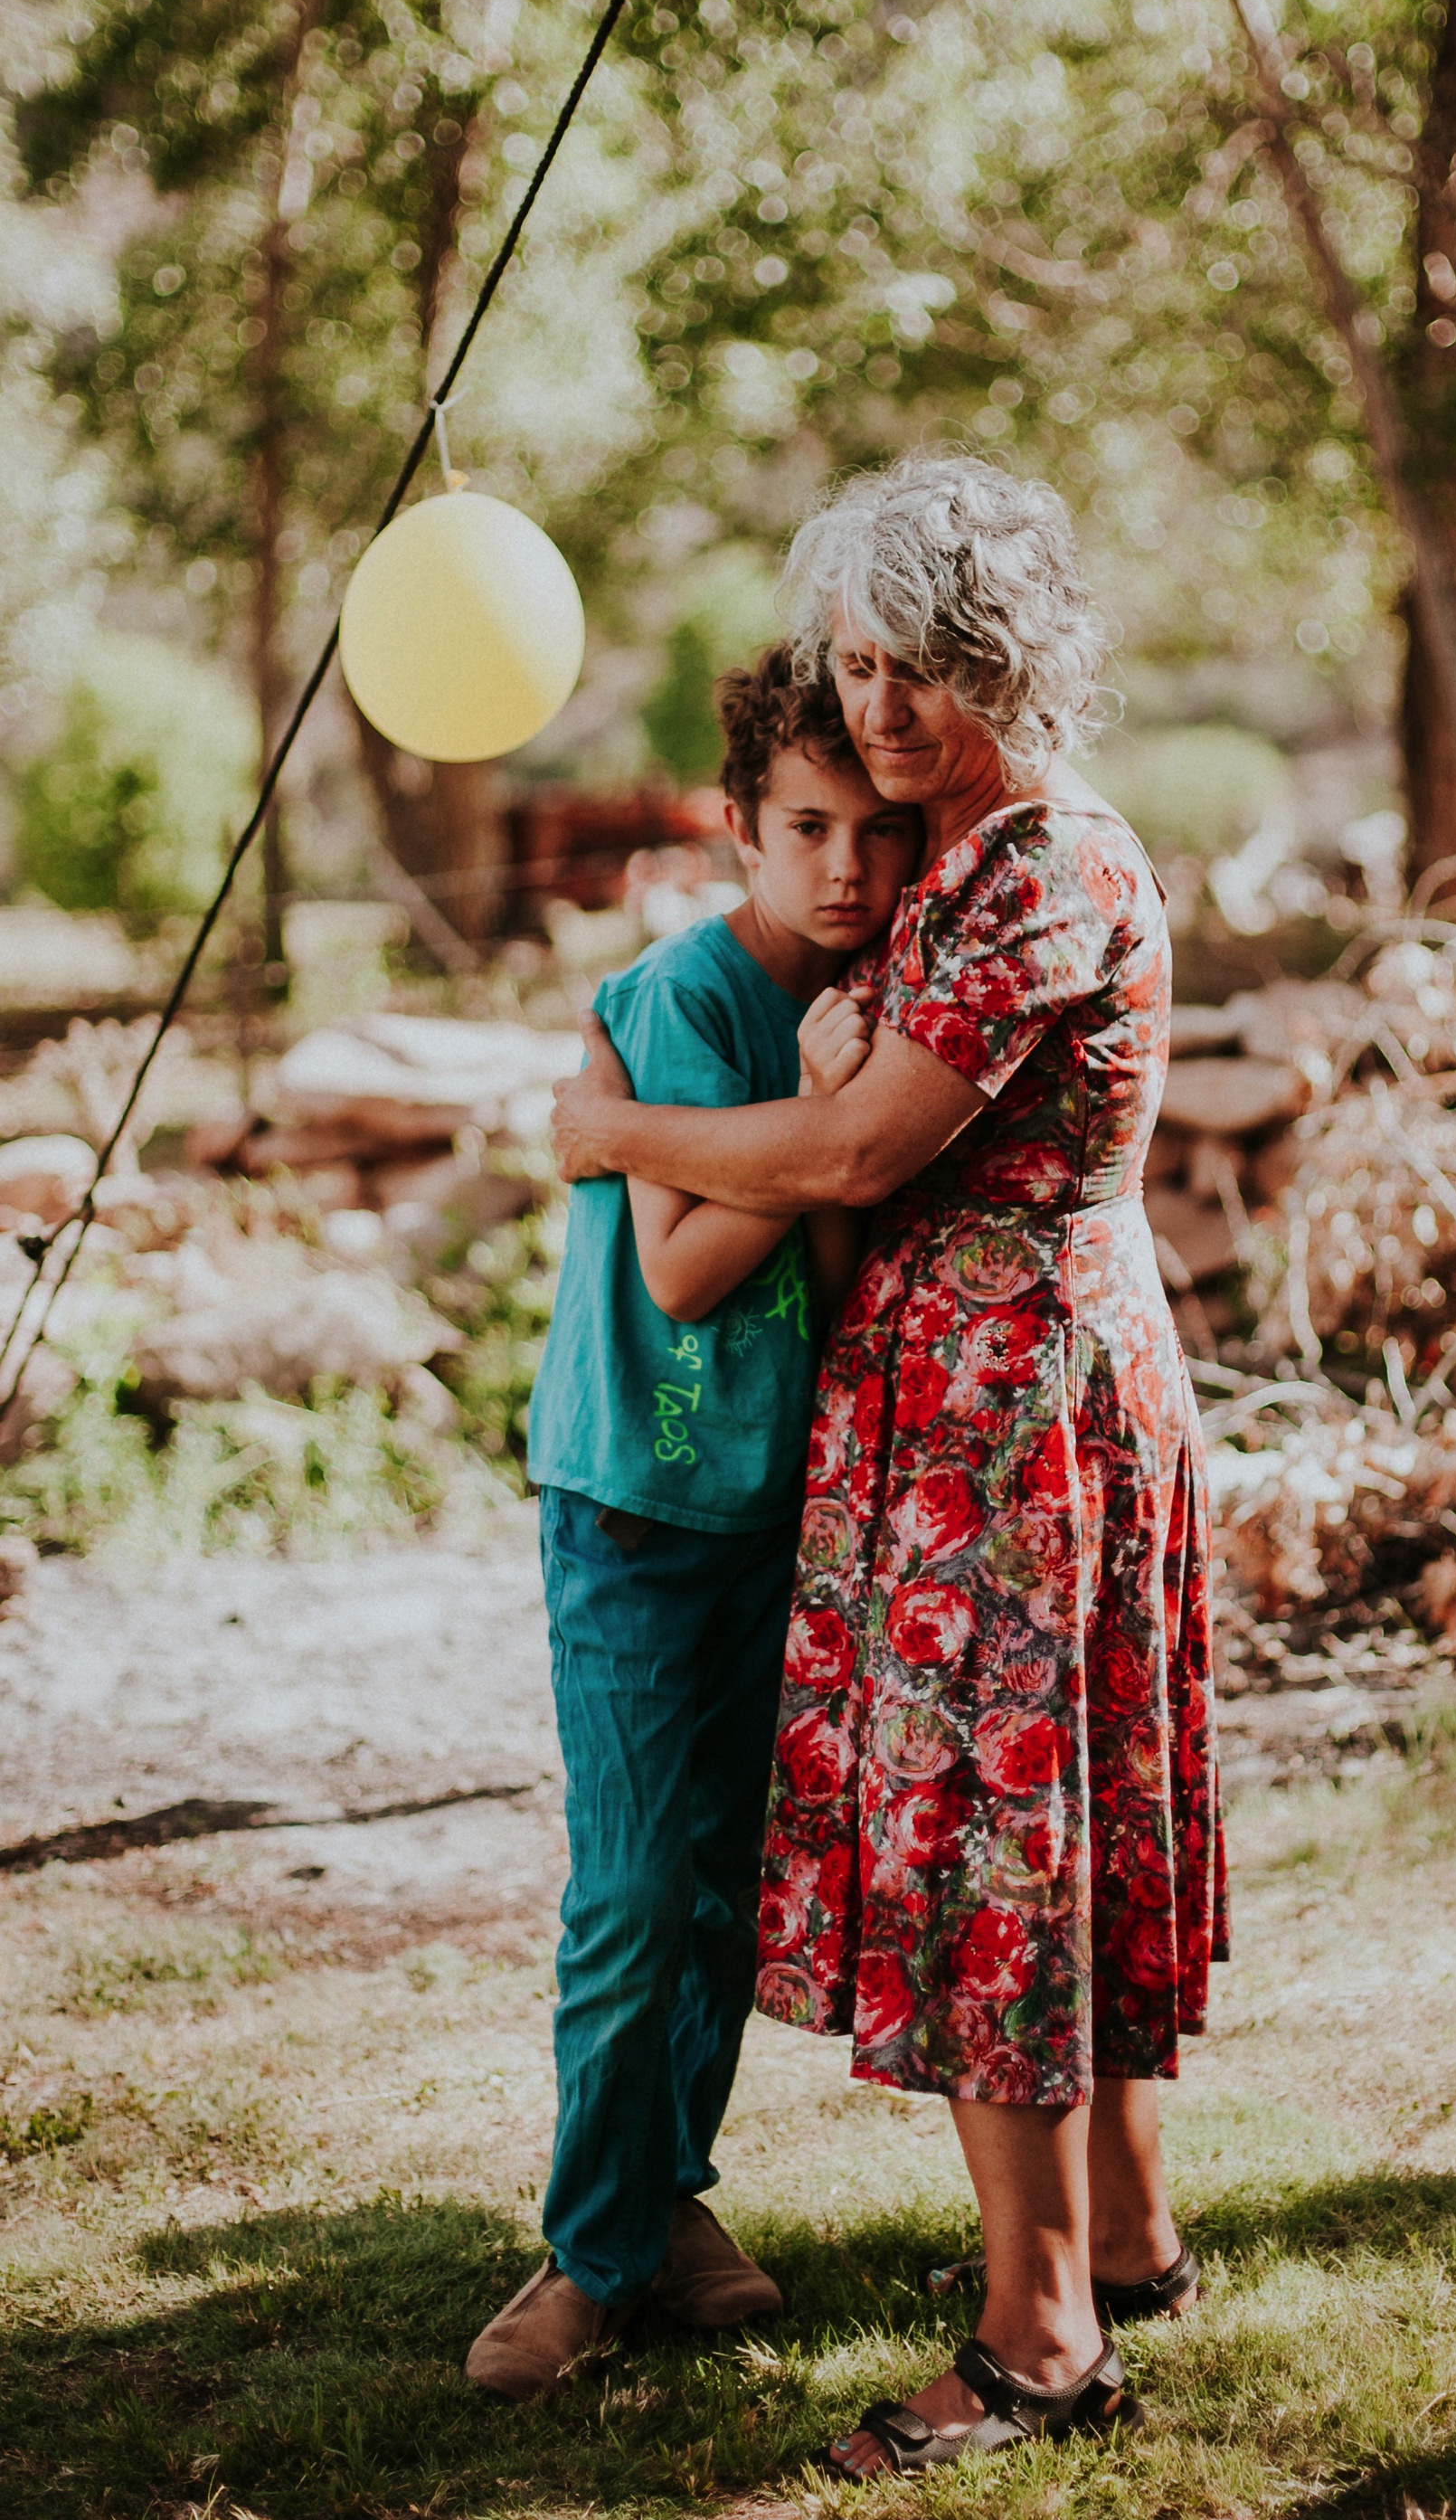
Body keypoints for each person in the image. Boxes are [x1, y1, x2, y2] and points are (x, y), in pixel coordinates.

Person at [551, 453, 1227, 2477]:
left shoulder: (1039, 866)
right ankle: (1119, 2233)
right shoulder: (964, 849)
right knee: (1059, 1817)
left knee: (995, 1850)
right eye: (859, 664)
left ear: (1014, 657)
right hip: (992, 1392)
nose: (887, 708)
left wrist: (608, 1136)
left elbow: (854, 1153)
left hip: (1006, 1417)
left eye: (930, 664)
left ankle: (1035, 2339)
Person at [466, 648, 920, 2401]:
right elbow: (679, 1255)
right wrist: (813, 1126)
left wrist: (820, 1151)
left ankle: (667, 2198)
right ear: (737, 826)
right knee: (635, 1891)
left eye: (879, 834)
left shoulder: (874, 1001)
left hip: (766, 1514)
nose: (846, 871)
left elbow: (824, 1243)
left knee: (724, 1896)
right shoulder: (684, 1002)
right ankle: (588, 2254)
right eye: (807, 827)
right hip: (634, 1507)